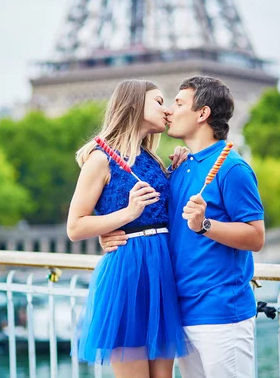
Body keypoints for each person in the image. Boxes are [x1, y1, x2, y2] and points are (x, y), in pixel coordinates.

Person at [101, 76, 265, 378]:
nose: (169, 112)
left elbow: (256, 236)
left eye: (177, 103)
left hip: (221, 314)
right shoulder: (177, 169)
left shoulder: (233, 168)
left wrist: (205, 224)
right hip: (180, 313)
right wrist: (109, 230)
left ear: (202, 113)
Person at [66, 79, 190, 378]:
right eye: (159, 101)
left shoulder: (153, 159)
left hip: (161, 273)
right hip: (128, 274)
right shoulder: (100, 159)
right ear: (135, 105)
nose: (168, 109)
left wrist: (176, 169)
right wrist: (127, 213)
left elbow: (163, 211)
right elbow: (75, 226)